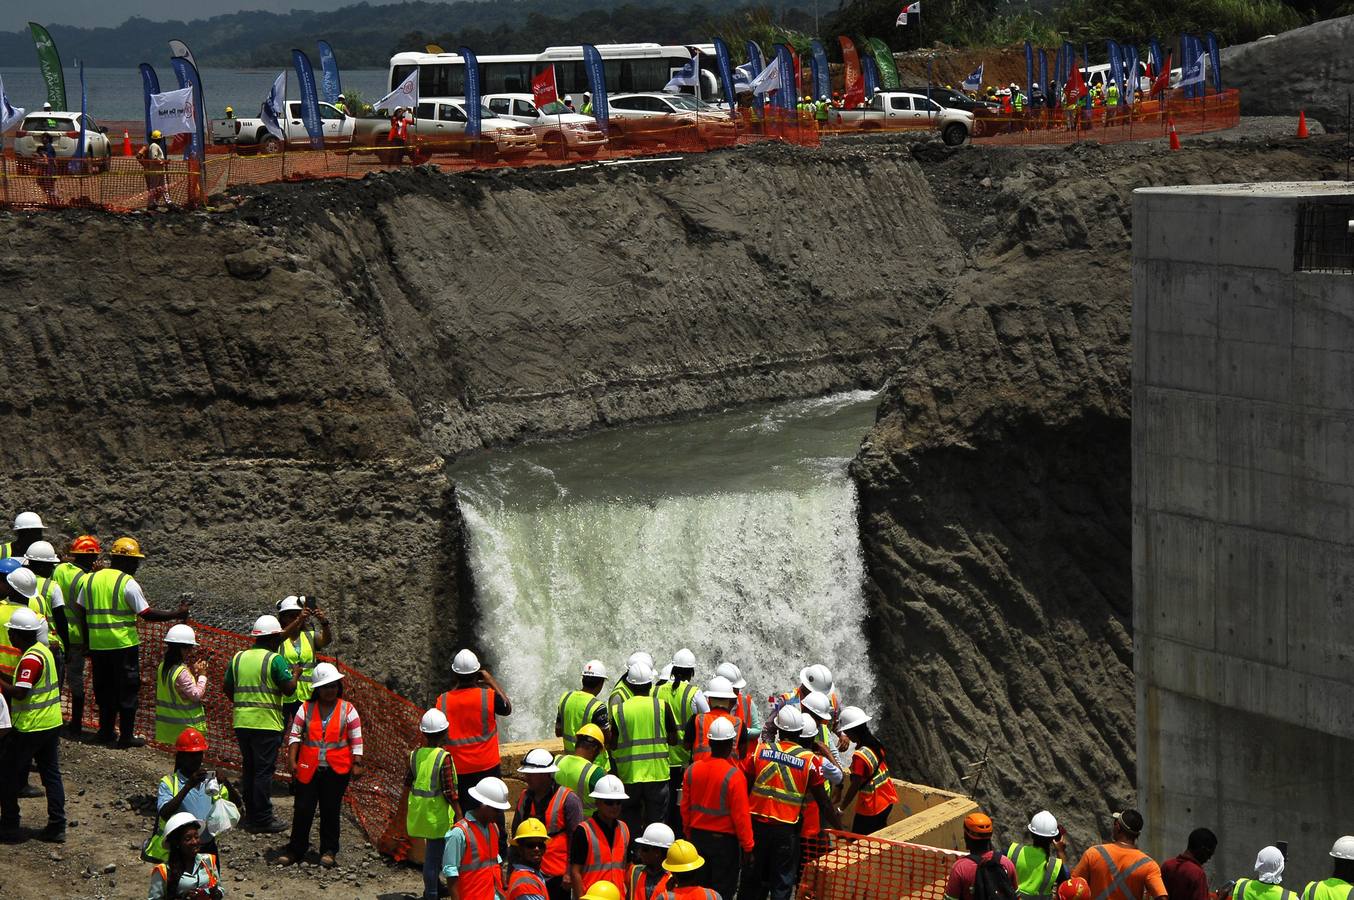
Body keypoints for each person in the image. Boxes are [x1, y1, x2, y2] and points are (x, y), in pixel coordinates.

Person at [75, 536, 190, 748]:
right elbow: (146, 613)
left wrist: (86, 640)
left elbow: (81, 609)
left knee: (104, 689)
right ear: (124, 561)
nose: (136, 566)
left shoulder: (90, 579)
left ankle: (105, 731)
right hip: (123, 646)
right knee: (127, 690)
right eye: (135, 561)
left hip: (98, 646)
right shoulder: (127, 582)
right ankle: (126, 736)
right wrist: (177, 613)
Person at [742, 705, 841, 900]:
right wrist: (841, 830)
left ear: (778, 730)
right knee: (782, 883)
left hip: (756, 828)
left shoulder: (760, 752)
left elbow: (744, 786)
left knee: (753, 880)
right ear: (800, 731)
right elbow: (824, 803)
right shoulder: (809, 761)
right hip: (786, 832)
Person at [280, 662, 363, 867]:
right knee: (303, 809)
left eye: (333, 685)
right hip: (308, 768)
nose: (330, 690)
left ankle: (328, 850)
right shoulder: (305, 709)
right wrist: (292, 760)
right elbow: (295, 736)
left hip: (337, 770)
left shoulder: (348, 709)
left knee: (330, 810)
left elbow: (356, 737)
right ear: (317, 689)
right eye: (326, 686)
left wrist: (358, 762)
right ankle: (296, 849)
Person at [223, 614, 299, 833]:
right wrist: (295, 673)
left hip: (242, 722)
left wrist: (244, 705)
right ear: (275, 638)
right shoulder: (275, 660)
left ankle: (251, 814)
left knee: (250, 768)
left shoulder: (238, 658)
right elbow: (289, 689)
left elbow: (228, 688)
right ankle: (262, 818)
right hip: (266, 723)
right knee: (263, 772)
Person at [0, 607, 65, 843]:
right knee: (51, 775)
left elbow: (19, 692)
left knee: (6, 775)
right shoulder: (43, 651)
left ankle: (9, 824)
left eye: (11, 633)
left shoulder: (30, 659)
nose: (9, 637)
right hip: (51, 723)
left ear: (18, 634)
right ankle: (57, 825)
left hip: (30, 727)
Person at [681, 716, 751, 900]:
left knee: (699, 890)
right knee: (722, 893)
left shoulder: (692, 770)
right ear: (731, 744)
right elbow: (741, 817)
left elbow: (685, 808)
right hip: (724, 845)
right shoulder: (734, 776)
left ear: (710, 742)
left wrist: (688, 833)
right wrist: (748, 847)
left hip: (697, 838)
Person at [611, 660, 678, 836]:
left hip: (630, 776)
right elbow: (674, 739)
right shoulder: (662, 706)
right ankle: (655, 858)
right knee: (657, 824)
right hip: (657, 775)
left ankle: (633, 856)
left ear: (629, 686)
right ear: (650, 684)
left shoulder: (619, 710)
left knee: (629, 822)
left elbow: (612, 744)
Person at [146, 727, 232, 862]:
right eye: (191, 755)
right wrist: (188, 786)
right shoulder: (169, 782)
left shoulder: (209, 782)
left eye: (199, 754)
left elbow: (237, 805)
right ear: (180, 757)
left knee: (210, 882)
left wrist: (226, 783)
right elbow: (165, 813)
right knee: (181, 883)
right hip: (181, 850)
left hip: (207, 847)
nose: (196, 759)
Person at [434, 648, 512, 795]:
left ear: (455, 675)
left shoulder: (442, 701)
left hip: (459, 769)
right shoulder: (488, 696)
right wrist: (490, 681)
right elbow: (507, 708)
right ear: (477, 674)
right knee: (492, 809)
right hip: (488, 765)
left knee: (463, 813)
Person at [407, 708, 462, 900]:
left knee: (433, 855)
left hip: (420, 812)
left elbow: (410, 781)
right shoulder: (443, 757)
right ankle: (431, 894)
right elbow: (450, 792)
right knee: (433, 859)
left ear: (423, 733)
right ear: (445, 732)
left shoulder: (415, 755)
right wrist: (459, 815)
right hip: (436, 816)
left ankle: (435, 888)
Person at [515, 747, 581, 900]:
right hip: (531, 873)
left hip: (558, 877)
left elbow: (576, 841)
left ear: (546, 774)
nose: (526, 777)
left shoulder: (568, 799)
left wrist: (569, 872)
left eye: (531, 774)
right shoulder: (525, 798)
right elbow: (517, 837)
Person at [54, 534, 100, 736]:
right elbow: (84, 613)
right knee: (75, 681)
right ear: (91, 559)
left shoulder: (60, 569)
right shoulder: (87, 580)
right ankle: (76, 724)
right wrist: (89, 643)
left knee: (55, 678)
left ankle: (53, 718)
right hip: (76, 637)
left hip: (55, 632)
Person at [1071, 809, 1167, 900]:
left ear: (1118, 826)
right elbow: (1162, 897)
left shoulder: (1093, 853)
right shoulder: (1149, 865)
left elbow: (1072, 887)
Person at [442, 775, 511, 900]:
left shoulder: (493, 828)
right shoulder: (459, 833)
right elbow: (451, 874)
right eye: (497, 810)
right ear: (483, 805)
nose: (500, 814)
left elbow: (495, 861)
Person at [659, 648, 706, 828]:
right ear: (691, 672)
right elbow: (707, 718)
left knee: (664, 805)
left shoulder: (657, 691)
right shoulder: (694, 693)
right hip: (684, 760)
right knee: (680, 806)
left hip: (662, 758)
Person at [836, 706, 898, 835]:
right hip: (887, 799)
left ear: (852, 731)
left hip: (871, 806)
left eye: (847, 732)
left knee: (857, 843)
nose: (846, 735)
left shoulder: (860, 756)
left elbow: (855, 786)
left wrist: (842, 808)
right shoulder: (875, 742)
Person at [275, 595, 333, 728]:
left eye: (298, 614)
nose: (295, 618)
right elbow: (277, 640)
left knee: (305, 734)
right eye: (291, 616)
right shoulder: (277, 637)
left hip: (305, 696)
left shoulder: (309, 635)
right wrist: (299, 619)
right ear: (282, 618)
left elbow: (326, 641)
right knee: (279, 733)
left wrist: (324, 622)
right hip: (283, 695)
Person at [571, 774, 630, 899]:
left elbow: (628, 866)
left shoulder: (624, 829)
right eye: (609, 802)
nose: (615, 807)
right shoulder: (584, 831)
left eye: (618, 802)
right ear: (597, 802)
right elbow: (575, 872)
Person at [154, 624, 208, 746]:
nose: (190, 651)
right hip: (186, 725)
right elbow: (195, 695)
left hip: (168, 726)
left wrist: (193, 672)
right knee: (187, 761)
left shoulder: (163, 666)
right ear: (183, 649)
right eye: (190, 648)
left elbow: (179, 690)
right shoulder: (180, 671)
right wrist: (202, 675)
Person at [148, 812, 224, 899]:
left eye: (196, 836)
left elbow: (220, 888)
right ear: (177, 843)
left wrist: (216, 893)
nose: (195, 842)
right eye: (188, 839)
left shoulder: (208, 860)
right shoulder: (163, 871)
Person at [23, 541, 68, 684]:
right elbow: (61, 620)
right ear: (42, 565)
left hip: (25, 642)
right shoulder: (52, 586)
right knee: (52, 687)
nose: (52, 568)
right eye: (51, 565)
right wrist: (67, 647)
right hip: (51, 645)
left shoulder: (20, 582)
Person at [944, 813, 1018, 900]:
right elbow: (1015, 895)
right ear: (990, 837)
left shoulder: (960, 868)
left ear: (966, 837)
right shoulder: (1006, 863)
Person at [557, 658, 611, 771]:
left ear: (583, 679)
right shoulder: (598, 707)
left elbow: (558, 731)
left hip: (570, 763)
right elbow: (607, 739)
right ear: (601, 683)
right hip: (593, 766)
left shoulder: (565, 698)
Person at [1007, 811, 1070, 900]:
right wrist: (1061, 852)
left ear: (1031, 833)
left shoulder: (1013, 851)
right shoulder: (1055, 866)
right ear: (1053, 839)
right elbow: (1066, 886)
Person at [556, 723, 608, 817]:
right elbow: (608, 804)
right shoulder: (595, 773)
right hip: (584, 827)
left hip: (557, 823)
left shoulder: (557, 761)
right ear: (594, 748)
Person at [687, 676, 744, 760]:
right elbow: (743, 754)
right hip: (729, 772)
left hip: (700, 770)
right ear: (730, 701)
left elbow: (686, 746)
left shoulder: (696, 719)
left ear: (709, 700)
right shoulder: (739, 723)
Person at [1162, 828, 1218, 900]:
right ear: (1203, 849)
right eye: (1210, 854)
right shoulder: (1197, 874)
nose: (1209, 858)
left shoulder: (1167, 865)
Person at [717, 662, 761, 740]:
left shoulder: (747, 703)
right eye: (734, 688)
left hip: (741, 751)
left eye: (738, 688)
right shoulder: (708, 702)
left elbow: (757, 730)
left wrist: (741, 730)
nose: (737, 691)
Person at [630, 823, 674, 900]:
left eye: (644, 849)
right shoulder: (635, 872)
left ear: (657, 852)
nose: (640, 852)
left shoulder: (673, 879)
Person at [510, 818, 551, 900]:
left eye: (540, 845)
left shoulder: (533, 874)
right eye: (530, 845)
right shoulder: (526, 883)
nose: (536, 849)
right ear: (520, 849)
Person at [137, 130, 170, 208]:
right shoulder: (152, 146)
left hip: (155, 169)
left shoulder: (152, 146)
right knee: (153, 187)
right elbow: (152, 158)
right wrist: (146, 164)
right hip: (153, 170)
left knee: (161, 187)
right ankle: (152, 203)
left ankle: (162, 202)